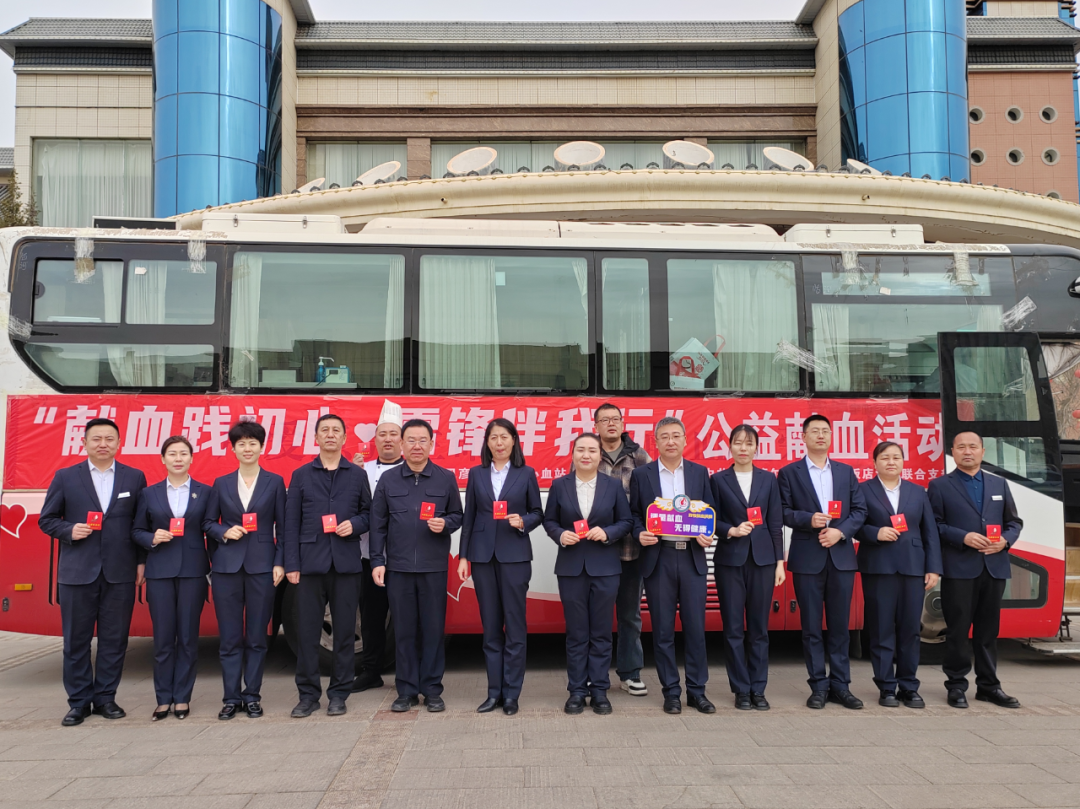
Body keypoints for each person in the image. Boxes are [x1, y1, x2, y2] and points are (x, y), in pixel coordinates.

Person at [39, 418, 147, 727]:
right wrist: (70, 530)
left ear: (119, 444)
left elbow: (140, 524)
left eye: (109, 439)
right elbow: (47, 519)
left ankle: (105, 698)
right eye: (96, 438)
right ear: (84, 443)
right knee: (76, 641)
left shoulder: (134, 477)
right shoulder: (65, 477)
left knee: (115, 639)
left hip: (120, 572)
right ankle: (78, 702)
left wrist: (141, 562)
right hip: (77, 572)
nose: (103, 444)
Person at [370, 419, 464, 713]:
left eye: (423, 440)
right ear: (401, 444)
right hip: (398, 569)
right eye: (410, 440)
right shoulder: (388, 480)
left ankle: (432, 690)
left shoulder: (445, 478)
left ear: (432, 444)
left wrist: (445, 524)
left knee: (433, 631)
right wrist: (377, 560)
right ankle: (406, 691)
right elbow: (377, 524)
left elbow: (458, 515)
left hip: (433, 567)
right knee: (404, 631)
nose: (416, 446)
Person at [282, 414, 372, 719]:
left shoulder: (357, 475)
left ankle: (339, 694)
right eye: (325, 430)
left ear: (344, 438)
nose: (331, 435)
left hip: (346, 564)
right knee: (307, 633)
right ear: (316, 438)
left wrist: (355, 525)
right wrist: (291, 563)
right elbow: (290, 522)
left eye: (336, 431)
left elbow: (369, 514)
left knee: (344, 633)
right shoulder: (301, 475)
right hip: (309, 565)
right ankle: (308, 695)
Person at [777, 414, 868, 710]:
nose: (820, 435)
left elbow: (860, 510)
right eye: (814, 431)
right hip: (807, 559)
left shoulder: (845, 472)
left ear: (831, 436)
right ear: (803, 437)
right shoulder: (789, 473)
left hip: (841, 557)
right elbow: (782, 511)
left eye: (825, 431)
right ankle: (818, 685)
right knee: (811, 627)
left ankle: (841, 686)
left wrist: (841, 532)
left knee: (840, 626)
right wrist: (808, 519)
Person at [928, 431, 1023, 709]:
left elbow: (1014, 523)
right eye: (961, 447)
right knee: (957, 631)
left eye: (972, 447)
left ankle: (989, 687)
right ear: (953, 452)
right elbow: (934, 526)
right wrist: (963, 537)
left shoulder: (998, 483)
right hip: (959, 568)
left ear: (982, 451)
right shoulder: (940, 486)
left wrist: (1005, 541)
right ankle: (956, 686)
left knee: (988, 632)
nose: (967, 451)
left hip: (993, 568)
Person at [629, 417, 717, 714]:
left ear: (685, 440)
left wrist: (707, 533)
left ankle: (697, 691)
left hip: (691, 557)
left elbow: (709, 510)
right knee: (663, 630)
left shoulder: (699, 473)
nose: (670, 441)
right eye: (664, 436)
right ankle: (671, 692)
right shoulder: (642, 475)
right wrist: (639, 532)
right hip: (659, 557)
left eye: (676, 436)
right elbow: (634, 514)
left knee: (695, 629)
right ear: (655, 442)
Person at [202, 420, 287, 720]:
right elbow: (207, 522)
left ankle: (252, 696)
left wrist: (280, 562)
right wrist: (224, 532)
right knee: (229, 638)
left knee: (257, 637)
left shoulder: (275, 482)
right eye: (242, 444)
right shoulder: (221, 483)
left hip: (263, 566)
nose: (247, 448)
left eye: (253, 443)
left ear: (262, 447)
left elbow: (284, 527)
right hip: (226, 568)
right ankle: (230, 698)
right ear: (233, 449)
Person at [459, 418, 544, 715]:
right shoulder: (476, 473)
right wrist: (463, 556)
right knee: (491, 628)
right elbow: (469, 517)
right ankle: (493, 692)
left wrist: (523, 521)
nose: (499, 443)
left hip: (515, 556)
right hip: (482, 557)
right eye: (493, 437)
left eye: (504, 437)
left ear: (514, 441)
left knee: (515, 626)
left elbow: (538, 512)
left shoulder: (526, 473)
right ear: (487, 442)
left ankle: (511, 695)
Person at [543, 433, 633, 715]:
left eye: (592, 450)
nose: (586, 455)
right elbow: (549, 521)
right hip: (571, 568)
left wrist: (607, 532)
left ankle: (600, 691)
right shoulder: (560, 485)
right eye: (580, 450)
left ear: (599, 455)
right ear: (572, 454)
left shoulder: (613, 485)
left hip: (606, 568)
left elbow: (626, 521)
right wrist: (560, 535)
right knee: (577, 632)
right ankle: (577, 691)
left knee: (602, 633)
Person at [856, 441, 943, 709]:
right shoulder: (862, 490)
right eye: (885, 458)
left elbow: (930, 532)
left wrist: (933, 568)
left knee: (910, 630)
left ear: (903, 462)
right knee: (881, 629)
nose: (891, 462)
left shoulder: (917, 492)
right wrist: (875, 532)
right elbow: (854, 525)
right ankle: (886, 687)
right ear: (874, 463)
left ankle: (909, 686)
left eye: (896, 457)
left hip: (912, 567)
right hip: (878, 567)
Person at [133, 435, 210, 721]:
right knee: (163, 639)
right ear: (162, 459)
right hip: (160, 571)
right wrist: (152, 538)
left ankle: (183, 698)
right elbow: (136, 531)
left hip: (193, 571)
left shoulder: (206, 492)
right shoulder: (149, 493)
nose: (178, 458)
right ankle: (163, 699)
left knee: (188, 638)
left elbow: (211, 527)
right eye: (172, 454)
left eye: (183, 453)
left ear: (192, 459)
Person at [711, 424, 786, 711]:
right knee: (732, 628)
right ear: (729, 446)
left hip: (763, 561)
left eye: (749, 443)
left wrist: (779, 563)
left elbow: (775, 523)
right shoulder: (718, 480)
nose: (743, 448)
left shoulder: (769, 479)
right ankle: (741, 689)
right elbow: (711, 519)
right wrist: (730, 530)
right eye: (738, 443)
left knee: (758, 629)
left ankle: (758, 688)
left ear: (756, 448)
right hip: (730, 560)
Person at [594, 403, 651, 698]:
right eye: (604, 420)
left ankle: (630, 673)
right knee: (598, 616)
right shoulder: (589, 453)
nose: (611, 423)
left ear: (623, 423)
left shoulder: (639, 456)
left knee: (630, 615)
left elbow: (651, 498)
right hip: (597, 551)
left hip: (631, 551)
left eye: (615, 418)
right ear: (596, 426)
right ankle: (595, 676)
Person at [351, 401, 404, 693]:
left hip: (405, 559)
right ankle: (371, 671)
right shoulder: (361, 470)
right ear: (375, 439)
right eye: (382, 434)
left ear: (402, 439)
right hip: (368, 557)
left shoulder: (413, 469)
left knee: (408, 618)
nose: (387, 439)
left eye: (393, 434)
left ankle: (409, 675)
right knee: (371, 619)